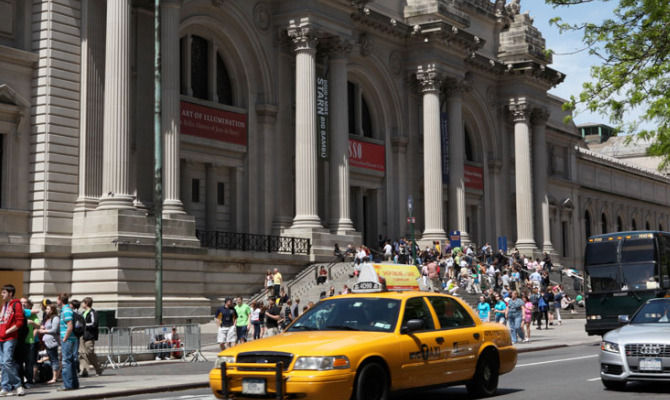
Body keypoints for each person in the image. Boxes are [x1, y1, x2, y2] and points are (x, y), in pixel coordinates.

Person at [0, 284, 26, 396]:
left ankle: (18, 385)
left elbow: (19, 322)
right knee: (3, 364)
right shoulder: (4, 305)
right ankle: (5, 387)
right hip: (1, 338)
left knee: (7, 362)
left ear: (10, 293)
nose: (2, 294)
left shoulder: (16, 304)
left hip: (10, 338)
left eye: (4, 292)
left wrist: (7, 331)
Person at [57, 293, 78, 391]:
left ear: (60, 300)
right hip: (70, 339)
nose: (56, 302)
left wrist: (64, 338)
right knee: (70, 361)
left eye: (57, 299)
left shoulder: (66, 310)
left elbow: (70, 326)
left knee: (66, 362)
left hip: (68, 339)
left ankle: (68, 385)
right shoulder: (67, 310)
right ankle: (73, 384)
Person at [18, 298, 39, 389]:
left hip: (29, 342)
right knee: (19, 363)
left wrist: (32, 323)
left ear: (29, 304)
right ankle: (20, 382)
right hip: (19, 342)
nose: (23, 304)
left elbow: (38, 326)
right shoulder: (19, 313)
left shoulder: (32, 315)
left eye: (25, 303)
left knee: (29, 363)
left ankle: (29, 381)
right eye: (21, 303)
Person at [79, 297, 102, 377]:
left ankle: (98, 368)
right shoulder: (82, 313)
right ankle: (84, 370)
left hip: (89, 335)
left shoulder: (93, 312)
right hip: (82, 335)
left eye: (82, 303)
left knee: (89, 352)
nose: (81, 304)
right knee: (81, 353)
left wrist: (84, 325)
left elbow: (94, 324)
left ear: (86, 303)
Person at [37, 303, 59, 384]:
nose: (46, 310)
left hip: (52, 342)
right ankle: (55, 376)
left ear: (52, 310)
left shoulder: (55, 318)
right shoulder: (47, 318)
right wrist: (42, 327)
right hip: (47, 342)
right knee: (52, 358)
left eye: (48, 309)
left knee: (54, 359)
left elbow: (54, 330)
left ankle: (54, 377)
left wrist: (44, 331)